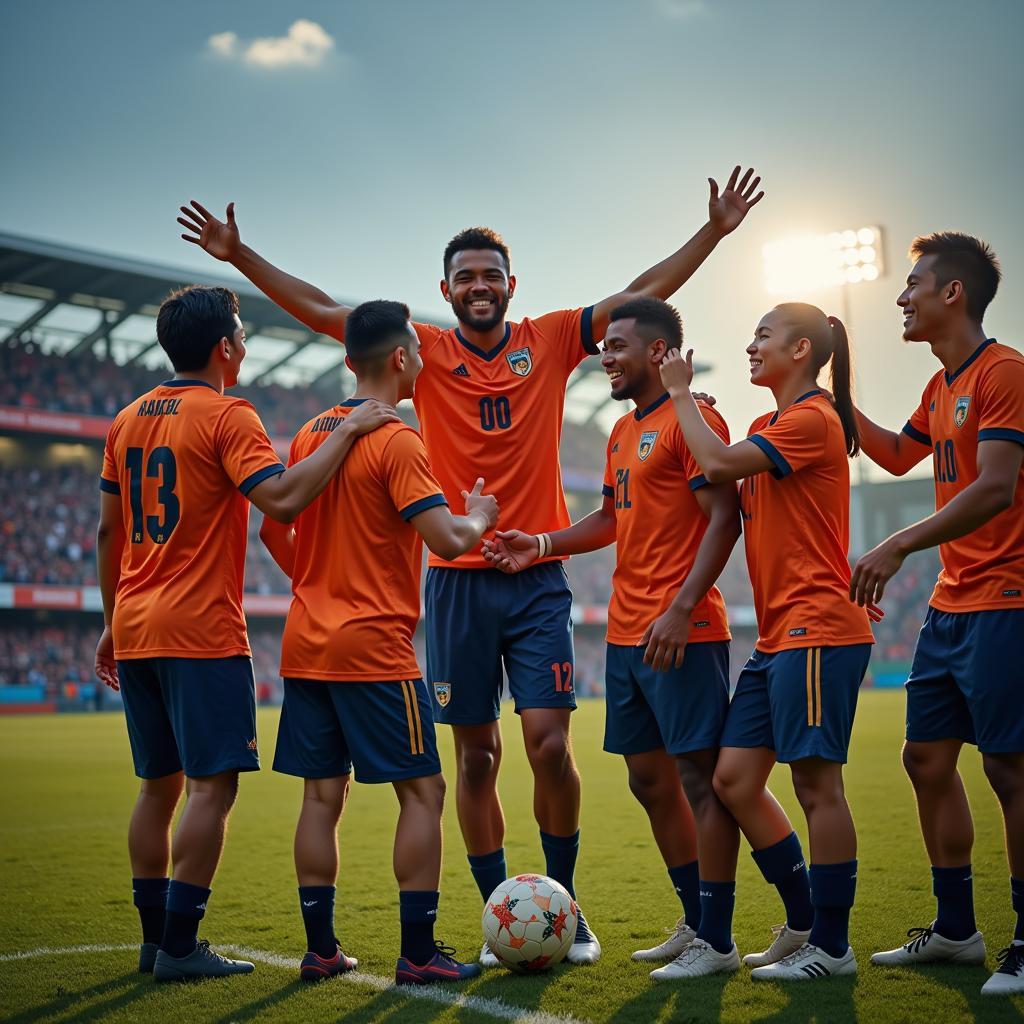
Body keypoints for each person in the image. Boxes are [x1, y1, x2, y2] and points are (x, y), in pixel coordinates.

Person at [177, 166, 764, 965]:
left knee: (550, 745)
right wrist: (241, 256)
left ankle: (566, 908)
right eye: (465, 278)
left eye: (491, 275)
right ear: (445, 292)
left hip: (535, 581)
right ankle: (499, 912)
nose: (479, 286)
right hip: (454, 583)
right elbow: (320, 311)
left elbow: (637, 295)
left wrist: (714, 233)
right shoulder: (424, 350)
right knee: (475, 755)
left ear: (511, 284)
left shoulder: (552, 338)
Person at [94, 285, 397, 982]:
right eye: (240, 334)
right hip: (199, 631)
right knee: (210, 791)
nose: (245, 345)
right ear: (225, 346)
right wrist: (348, 432)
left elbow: (109, 529)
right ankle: (178, 947)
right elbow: (283, 498)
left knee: (156, 787)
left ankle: (152, 942)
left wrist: (112, 622)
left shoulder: (126, 418)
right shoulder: (229, 415)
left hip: (135, 623)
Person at [481, 297, 743, 981]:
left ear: (660, 353)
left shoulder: (698, 419)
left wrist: (684, 607)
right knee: (649, 779)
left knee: (700, 780)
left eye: (619, 347)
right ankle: (694, 919)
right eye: (603, 348)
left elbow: (724, 520)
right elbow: (608, 518)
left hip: (680, 629)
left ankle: (717, 937)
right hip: (627, 634)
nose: (606, 358)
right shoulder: (622, 432)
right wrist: (539, 543)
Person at [260, 300, 498, 985]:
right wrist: (478, 514)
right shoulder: (397, 438)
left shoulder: (310, 433)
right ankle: (419, 954)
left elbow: (277, 529)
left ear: (346, 359)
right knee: (423, 793)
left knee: (319, 799)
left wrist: (317, 583)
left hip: (307, 644)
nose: (423, 363)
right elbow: (449, 539)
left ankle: (320, 949)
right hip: (373, 650)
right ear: (400, 359)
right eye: (418, 354)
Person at [659, 303, 877, 980]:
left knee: (816, 786)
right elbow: (724, 459)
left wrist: (675, 399)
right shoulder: (769, 424)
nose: (751, 346)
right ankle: (806, 920)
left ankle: (831, 948)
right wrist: (695, 409)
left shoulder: (814, 419)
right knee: (733, 778)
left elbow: (718, 464)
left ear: (802, 349)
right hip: (780, 636)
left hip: (818, 630)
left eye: (763, 336)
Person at [847, 233, 1024, 996]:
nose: (901, 296)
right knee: (926, 760)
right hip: (953, 606)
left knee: (1010, 771)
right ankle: (957, 931)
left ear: (953, 293)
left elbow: (994, 488)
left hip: (1007, 601)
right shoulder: (940, 385)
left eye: (913, 283)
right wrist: (834, 382)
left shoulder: (1005, 372)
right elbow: (890, 454)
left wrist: (899, 543)